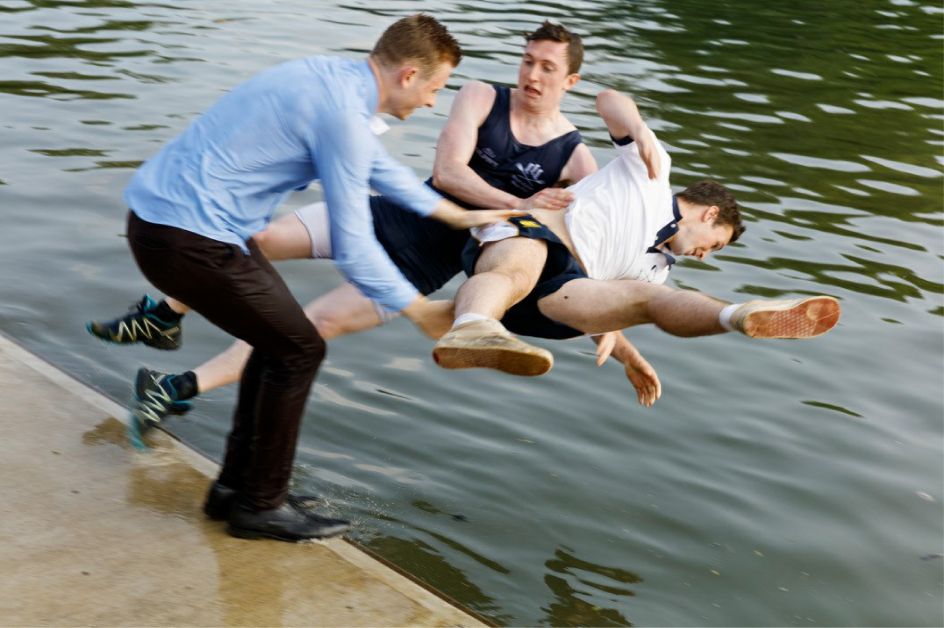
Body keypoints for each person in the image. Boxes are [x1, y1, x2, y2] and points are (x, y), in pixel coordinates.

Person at [113, 14, 522, 543]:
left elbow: (377, 166)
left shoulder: (333, 78)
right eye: (434, 89)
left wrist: (452, 214)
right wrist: (418, 310)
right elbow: (354, 244)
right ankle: (259, 504)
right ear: (409, 75)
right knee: (298, 350)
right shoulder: (344, 116)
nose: (430, 103)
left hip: (173, 226)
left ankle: (237, 490)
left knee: (279, 341)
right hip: (188, 239)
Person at [90, 22, 624, 415]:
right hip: (391, 213)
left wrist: (611, 324)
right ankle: (161, 313)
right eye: (528, 60)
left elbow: (582, 248)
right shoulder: (484, 97)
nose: (532, 73)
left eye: (547, 67)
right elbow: (449, 172)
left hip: (421, 267)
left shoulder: (576, 160)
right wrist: (520, 205)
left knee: (305, 329)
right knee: (255, 239)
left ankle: (173, 389)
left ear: (570, 81)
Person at [431, 88, 841, 392]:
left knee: (649, 300)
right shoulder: (652, 172)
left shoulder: (656, 270)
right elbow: (608, 100)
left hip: (557, 302)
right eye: (713, 244)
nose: (703, 256)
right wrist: (640, 130)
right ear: (710, 213)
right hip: (533, 238)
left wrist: (630, 357)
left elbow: (605, 310)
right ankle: (473, 325)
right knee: (517, 270)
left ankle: (737, 316)